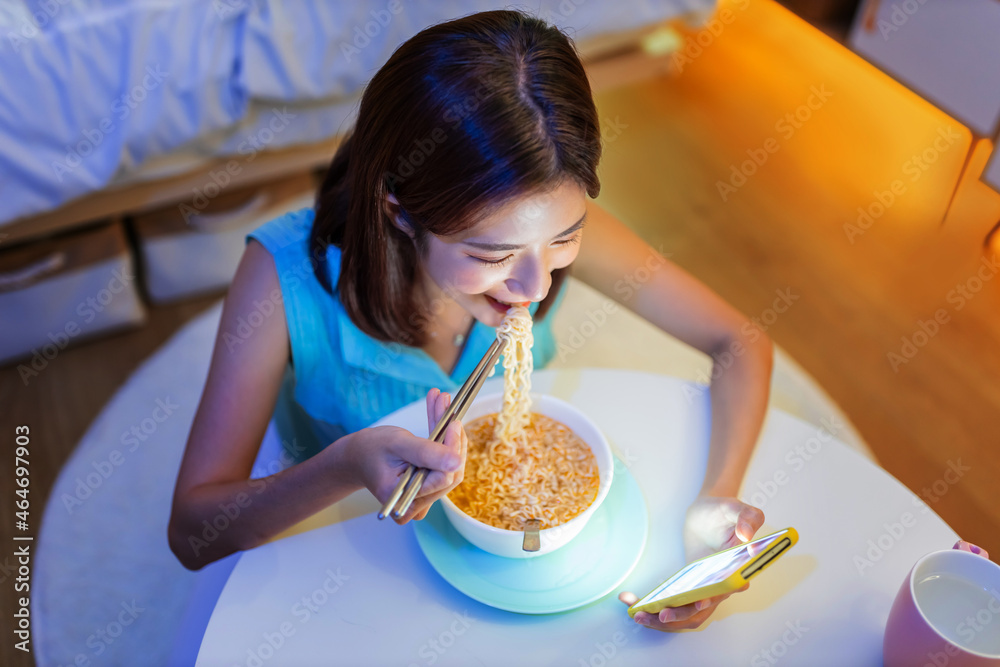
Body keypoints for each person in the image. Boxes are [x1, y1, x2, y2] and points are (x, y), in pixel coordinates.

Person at [167, 9, 773, 632]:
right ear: (400, 213)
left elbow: (739, 340)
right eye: (492, 256)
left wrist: (716, 498)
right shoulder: (281, 278)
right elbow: (191, 534)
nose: (536, 286)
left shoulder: (537, 222)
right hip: (341, 537)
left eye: (566, 239)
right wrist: (347, 464)